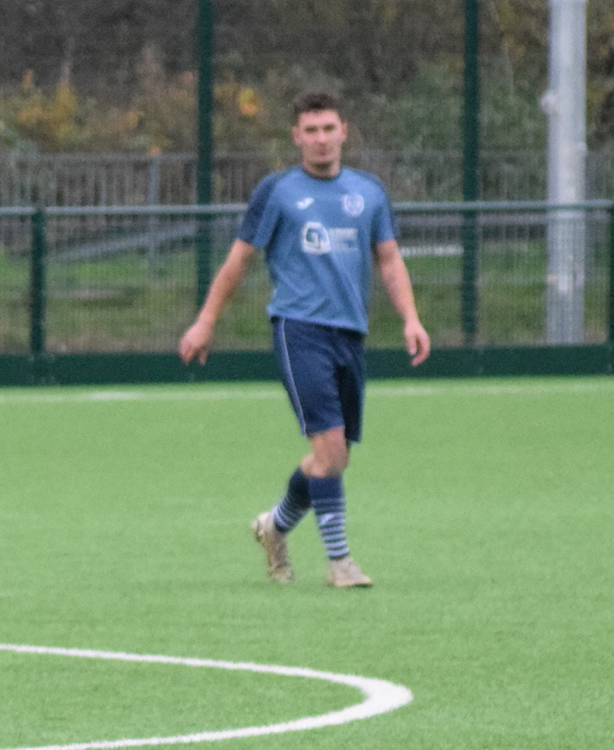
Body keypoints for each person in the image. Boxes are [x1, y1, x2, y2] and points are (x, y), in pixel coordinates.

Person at [177, 91, 431, 587]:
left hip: (351, 334)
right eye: (310, 131)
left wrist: (411, 319)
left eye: (328, 129)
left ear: (344, 132)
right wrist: (206, 320)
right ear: (296, 137)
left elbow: (388, 259)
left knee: (330, 459)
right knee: (330, 449)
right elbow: (238, 261)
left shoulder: (369, 192)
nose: (320, 139)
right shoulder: (278, 192)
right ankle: (340, 562)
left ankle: (274, 526)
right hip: (299, 330)